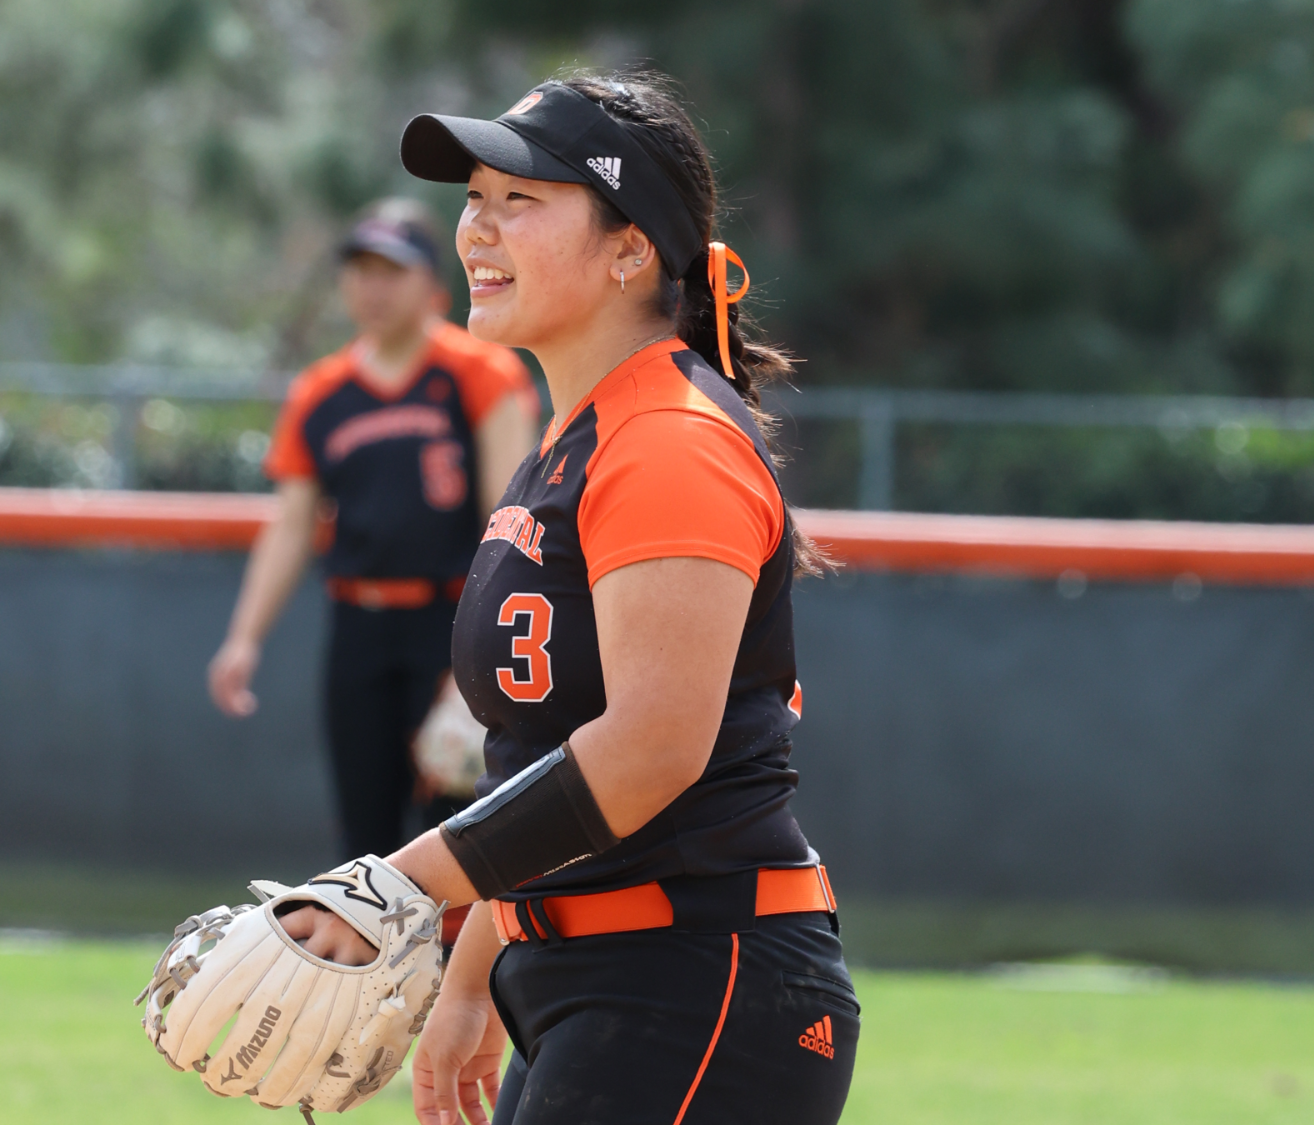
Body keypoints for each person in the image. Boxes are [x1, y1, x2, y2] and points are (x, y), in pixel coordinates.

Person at [280, 71, 857, 1124]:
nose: (475, 233)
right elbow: (548, 761)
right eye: (473, 199)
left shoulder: (670, 440)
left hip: (696, 979)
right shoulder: (582, 436)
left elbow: (647, 749)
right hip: (596, 979)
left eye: (520, 202)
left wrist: (396, 886)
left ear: (629, 248)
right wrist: (474, 979)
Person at [207, 198, 538, 862]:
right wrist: (243, 638)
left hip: (450, 620)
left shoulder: (480, 371)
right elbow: (292, 524)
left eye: (391, 269)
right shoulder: (321, 393)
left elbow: (509, 516)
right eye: (359, 269)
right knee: (363, 835)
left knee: (456, 823)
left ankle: (458, 970)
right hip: (358, 627)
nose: (372, 286)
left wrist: (479, 650)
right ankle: (376, 969)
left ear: (432, 284)